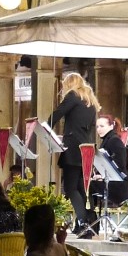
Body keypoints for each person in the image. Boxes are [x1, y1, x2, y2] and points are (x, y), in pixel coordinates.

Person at [50, 71, 99, 227]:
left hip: (72, 148)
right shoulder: (90, 101)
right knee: (82, 188)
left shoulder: (72, 96)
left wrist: (47, 127)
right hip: (86, 148)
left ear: (69, 84)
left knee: (70, 188)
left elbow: (57, 114)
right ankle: (89, 222)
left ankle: (83, 222)